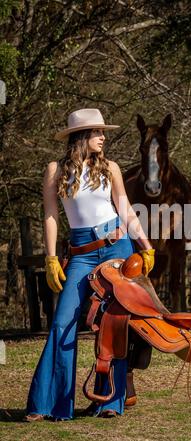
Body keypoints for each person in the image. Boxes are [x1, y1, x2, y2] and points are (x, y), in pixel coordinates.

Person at [24, 108, 155, 421]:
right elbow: (51, 215)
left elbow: (125, 209)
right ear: (81, 136)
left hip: (116, 248)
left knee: (114, 324)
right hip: (81, 253)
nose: (103, 137)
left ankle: (109, 402)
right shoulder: (55, 169)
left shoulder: (110, 167)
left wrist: (146, 247)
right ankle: (48, 405)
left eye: (102, 132)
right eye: (98, 132)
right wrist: (51, 257)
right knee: (62, 323)